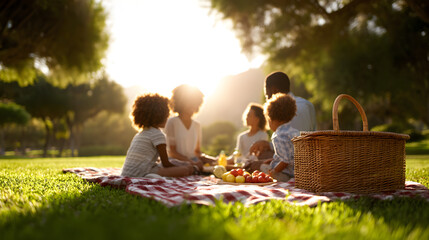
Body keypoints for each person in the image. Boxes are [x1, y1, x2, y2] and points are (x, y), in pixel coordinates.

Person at [121, 93, 194, 178]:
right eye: (167, 115)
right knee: (186, 170)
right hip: (143, 172)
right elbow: (166, 163)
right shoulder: (158, 135)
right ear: (160, 116)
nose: (167, 118)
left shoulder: (140, 134)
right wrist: (182, 167)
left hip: (127, 173)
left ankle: (154, 175)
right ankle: (151, 177)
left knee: (176, 167)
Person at [249, 71, 316, 160]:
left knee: (258, 159)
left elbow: (292, 147)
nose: (267, 100)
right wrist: (268, 145)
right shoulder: (307, 104)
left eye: (267, 95)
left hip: (298, 165)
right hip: (312, 159)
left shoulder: (285, 110)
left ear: (274, 90)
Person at [164, 84, 216, 170]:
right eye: (189, 102)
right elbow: (172, 152)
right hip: (176, 163)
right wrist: (190, 162)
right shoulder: (172, 122)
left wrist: (210, 159)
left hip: (193, 163)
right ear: (180, 103)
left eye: (195, 103)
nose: (193, 106)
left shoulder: (197, 125)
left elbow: (197, 152)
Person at [259, 93, 299, 182]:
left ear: (272, 119)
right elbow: (289, 154)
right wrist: (274, 159)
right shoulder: (294, 132)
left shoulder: (278, 136)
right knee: (267, 165)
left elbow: (286, 160)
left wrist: (274, 170)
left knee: (263, 168)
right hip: (298, 172)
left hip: (286, 174)